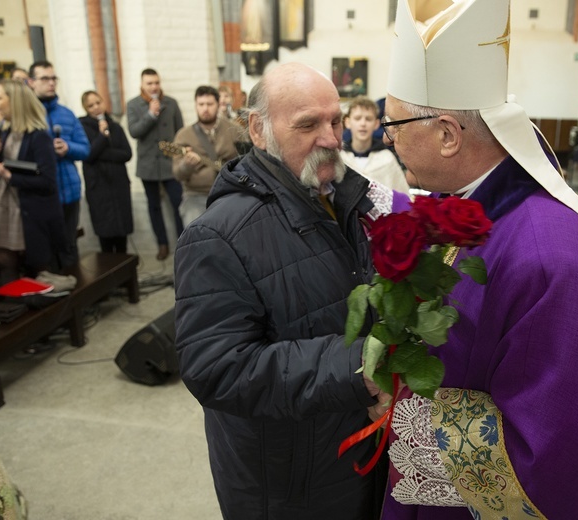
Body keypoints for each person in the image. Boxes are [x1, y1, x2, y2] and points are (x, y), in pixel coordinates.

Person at [379, 1, 578, 519]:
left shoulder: (551, 261)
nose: (387, 136)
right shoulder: (479, 200)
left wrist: (407, 416)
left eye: (394, 122)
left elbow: (554, 452)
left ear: (447, 135)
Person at [174, 63, 405, 520]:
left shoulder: (342, 199)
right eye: (308, 124)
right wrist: (357, 365)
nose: (331, 138)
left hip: (350, 452)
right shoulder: (218, 236)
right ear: (259, 131)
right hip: (287, 481)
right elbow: (216, 368)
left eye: (335, 121)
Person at [0, 79, 66, 282]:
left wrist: (12, 177)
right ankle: (12, 308)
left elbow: (48, 182)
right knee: (4, 261)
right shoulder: (6, 132)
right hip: (6, 208)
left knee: (37, 269)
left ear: (15, 101)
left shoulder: (38, 137)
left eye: (0, 98)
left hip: (29, 213)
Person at [28, 60, 90, 268]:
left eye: (54, 78)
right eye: (45, 78)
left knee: (69, 245)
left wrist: (67, 148)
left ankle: (77, 295)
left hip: (70, 192)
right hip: (42, 193)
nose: (51, 83)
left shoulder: (66, 114)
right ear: (31, 82)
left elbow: (85, 148)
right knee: (48, 251)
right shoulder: (27, 115)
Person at [126, 68, 184, 261]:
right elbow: (134, 131)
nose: (154, 87)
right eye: (149, 83)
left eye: (156, 83)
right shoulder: (133, 105)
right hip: (148, 164)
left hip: (170, 163)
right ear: (142, 84)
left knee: (178, 203)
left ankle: (183, 243)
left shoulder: (171, 104)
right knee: (154, 206)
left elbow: (180, 133)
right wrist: (150, 115)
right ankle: (162, 244)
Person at [172, 86, 238, 225]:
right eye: (201, 104)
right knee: (195, 228)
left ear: (218, 104)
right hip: (196, 195)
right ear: (195, 105)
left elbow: (247, 159)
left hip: (229, 193)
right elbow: (178, 174)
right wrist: (187, 165)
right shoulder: (184, 135)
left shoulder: (234, 130)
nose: (205, 109)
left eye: (209, 104)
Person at [79, 90, 133, 253]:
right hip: (99, 187)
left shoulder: (115, 126)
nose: (96, 107)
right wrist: (102, 136)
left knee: (122, 232)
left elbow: (127, 153)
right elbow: (88, 154)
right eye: (91, 105)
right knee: (106, 234)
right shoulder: (82, 127)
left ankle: (125, 271)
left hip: (119, 185)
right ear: (85, 108)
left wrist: (101, 154)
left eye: (98, 102)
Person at [341, 96, 410, 194]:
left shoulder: (386, 159)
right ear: (347, 122)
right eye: (357, 118)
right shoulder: (340, 158)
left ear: (376, 124)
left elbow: (402, 197)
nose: (363, 123)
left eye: (368, 119)